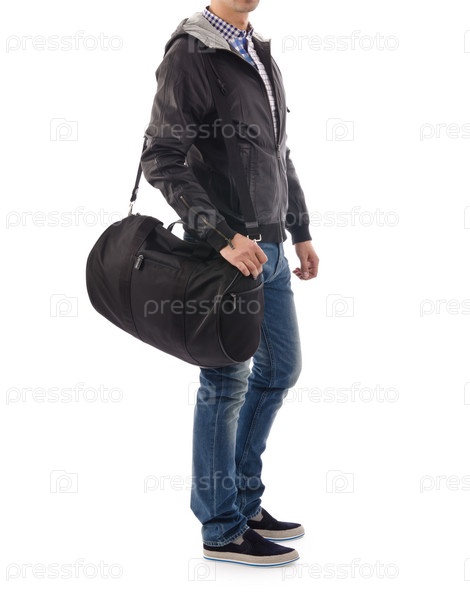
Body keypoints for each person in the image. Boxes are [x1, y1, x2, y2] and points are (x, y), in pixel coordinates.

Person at [141, 0, 319, 567]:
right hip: (228, 255)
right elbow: (161, 157)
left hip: (270, 247)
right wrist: (222, 236)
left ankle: (243, 499)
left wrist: (300, 229)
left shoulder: (257, 51)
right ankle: (221, 528)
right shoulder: (191, 53)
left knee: (281, 370)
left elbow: (278, 151)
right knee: (225, 383)